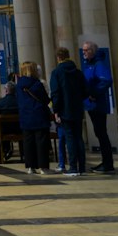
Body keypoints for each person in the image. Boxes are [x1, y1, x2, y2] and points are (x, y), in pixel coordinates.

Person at [49, 47, 87, 177]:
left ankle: (73, 168)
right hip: (78, 109)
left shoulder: (56, 72)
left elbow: (55, 93)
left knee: (70, 138)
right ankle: (82, 167)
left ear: (58, 58)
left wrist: (56, 110)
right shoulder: (78, 72)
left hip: (65, 110)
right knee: (78, 137)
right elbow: (84, 91)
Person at [80, 41, 115, 174]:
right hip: (91, 104)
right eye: (83, 50)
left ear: (92, 51)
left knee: (101, 133)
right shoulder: (89, 64)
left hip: (97, 104)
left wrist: (94, 93)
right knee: (99, 133)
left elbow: (106, 80)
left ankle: (108, 163)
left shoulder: (98, 64)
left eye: (86, 50)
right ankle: (105, 161)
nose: (84, 53)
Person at [16, 61, 52, 174]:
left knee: (28, 142)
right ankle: (43, 167)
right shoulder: (37, 83)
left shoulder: (19, 85)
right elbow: (45, 99)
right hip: (38, 114)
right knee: (41, 141)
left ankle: (31, 167)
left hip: (25, 115)